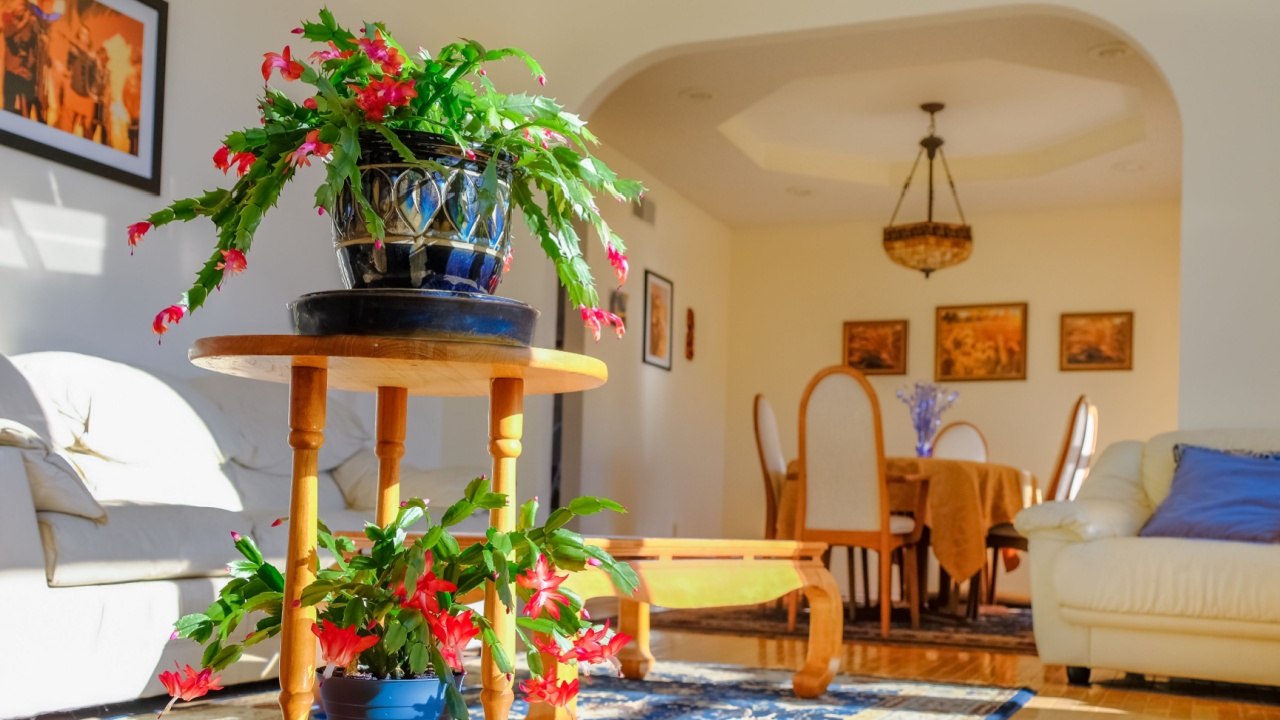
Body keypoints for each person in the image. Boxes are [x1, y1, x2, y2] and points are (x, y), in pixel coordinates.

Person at [2, 1, 45, 120]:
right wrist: (25, 21)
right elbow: (8, 35)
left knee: (25, 110)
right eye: (19, 6)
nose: (22, 9)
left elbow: (33, 48)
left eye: (24, 7)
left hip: (25, 74)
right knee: (8, 106)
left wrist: (29, 67)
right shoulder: (9, 22)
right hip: (11, 72)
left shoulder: (30, 26)